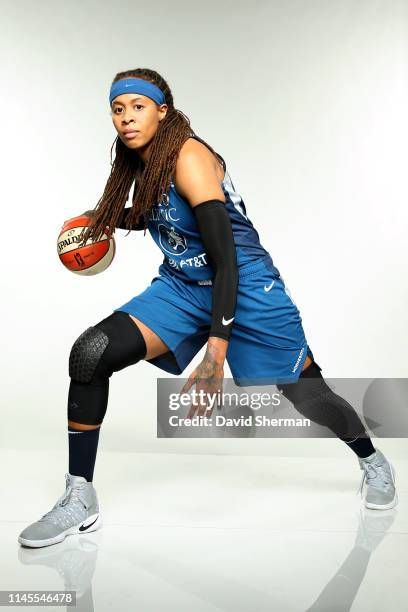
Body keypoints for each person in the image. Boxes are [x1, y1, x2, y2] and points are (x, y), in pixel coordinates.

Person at [18, 68, 397, 548]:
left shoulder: (189, 156)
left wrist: (216, 352)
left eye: (138, 106)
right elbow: (160, 215)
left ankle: (370, 458)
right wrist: (108, 220)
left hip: (245, 284)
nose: (127, 118)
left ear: (163, 111)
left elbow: (226, 260)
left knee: (307, 395)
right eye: (118, 109)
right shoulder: (140, 161)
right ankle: (79, 496)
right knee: (91, 353)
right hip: (183, 285)